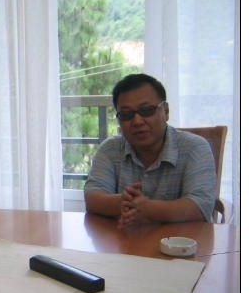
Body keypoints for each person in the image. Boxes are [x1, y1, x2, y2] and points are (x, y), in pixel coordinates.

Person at [84, 73, 216, 229]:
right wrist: (124, 202)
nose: (137, 121)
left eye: (147, 110)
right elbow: (92, 197)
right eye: (126, 115)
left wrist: (147, 209)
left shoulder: (195, 147)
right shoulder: (110, 149)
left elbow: (200, 206)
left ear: (166, 111)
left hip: (183, 241)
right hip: (124, 241)